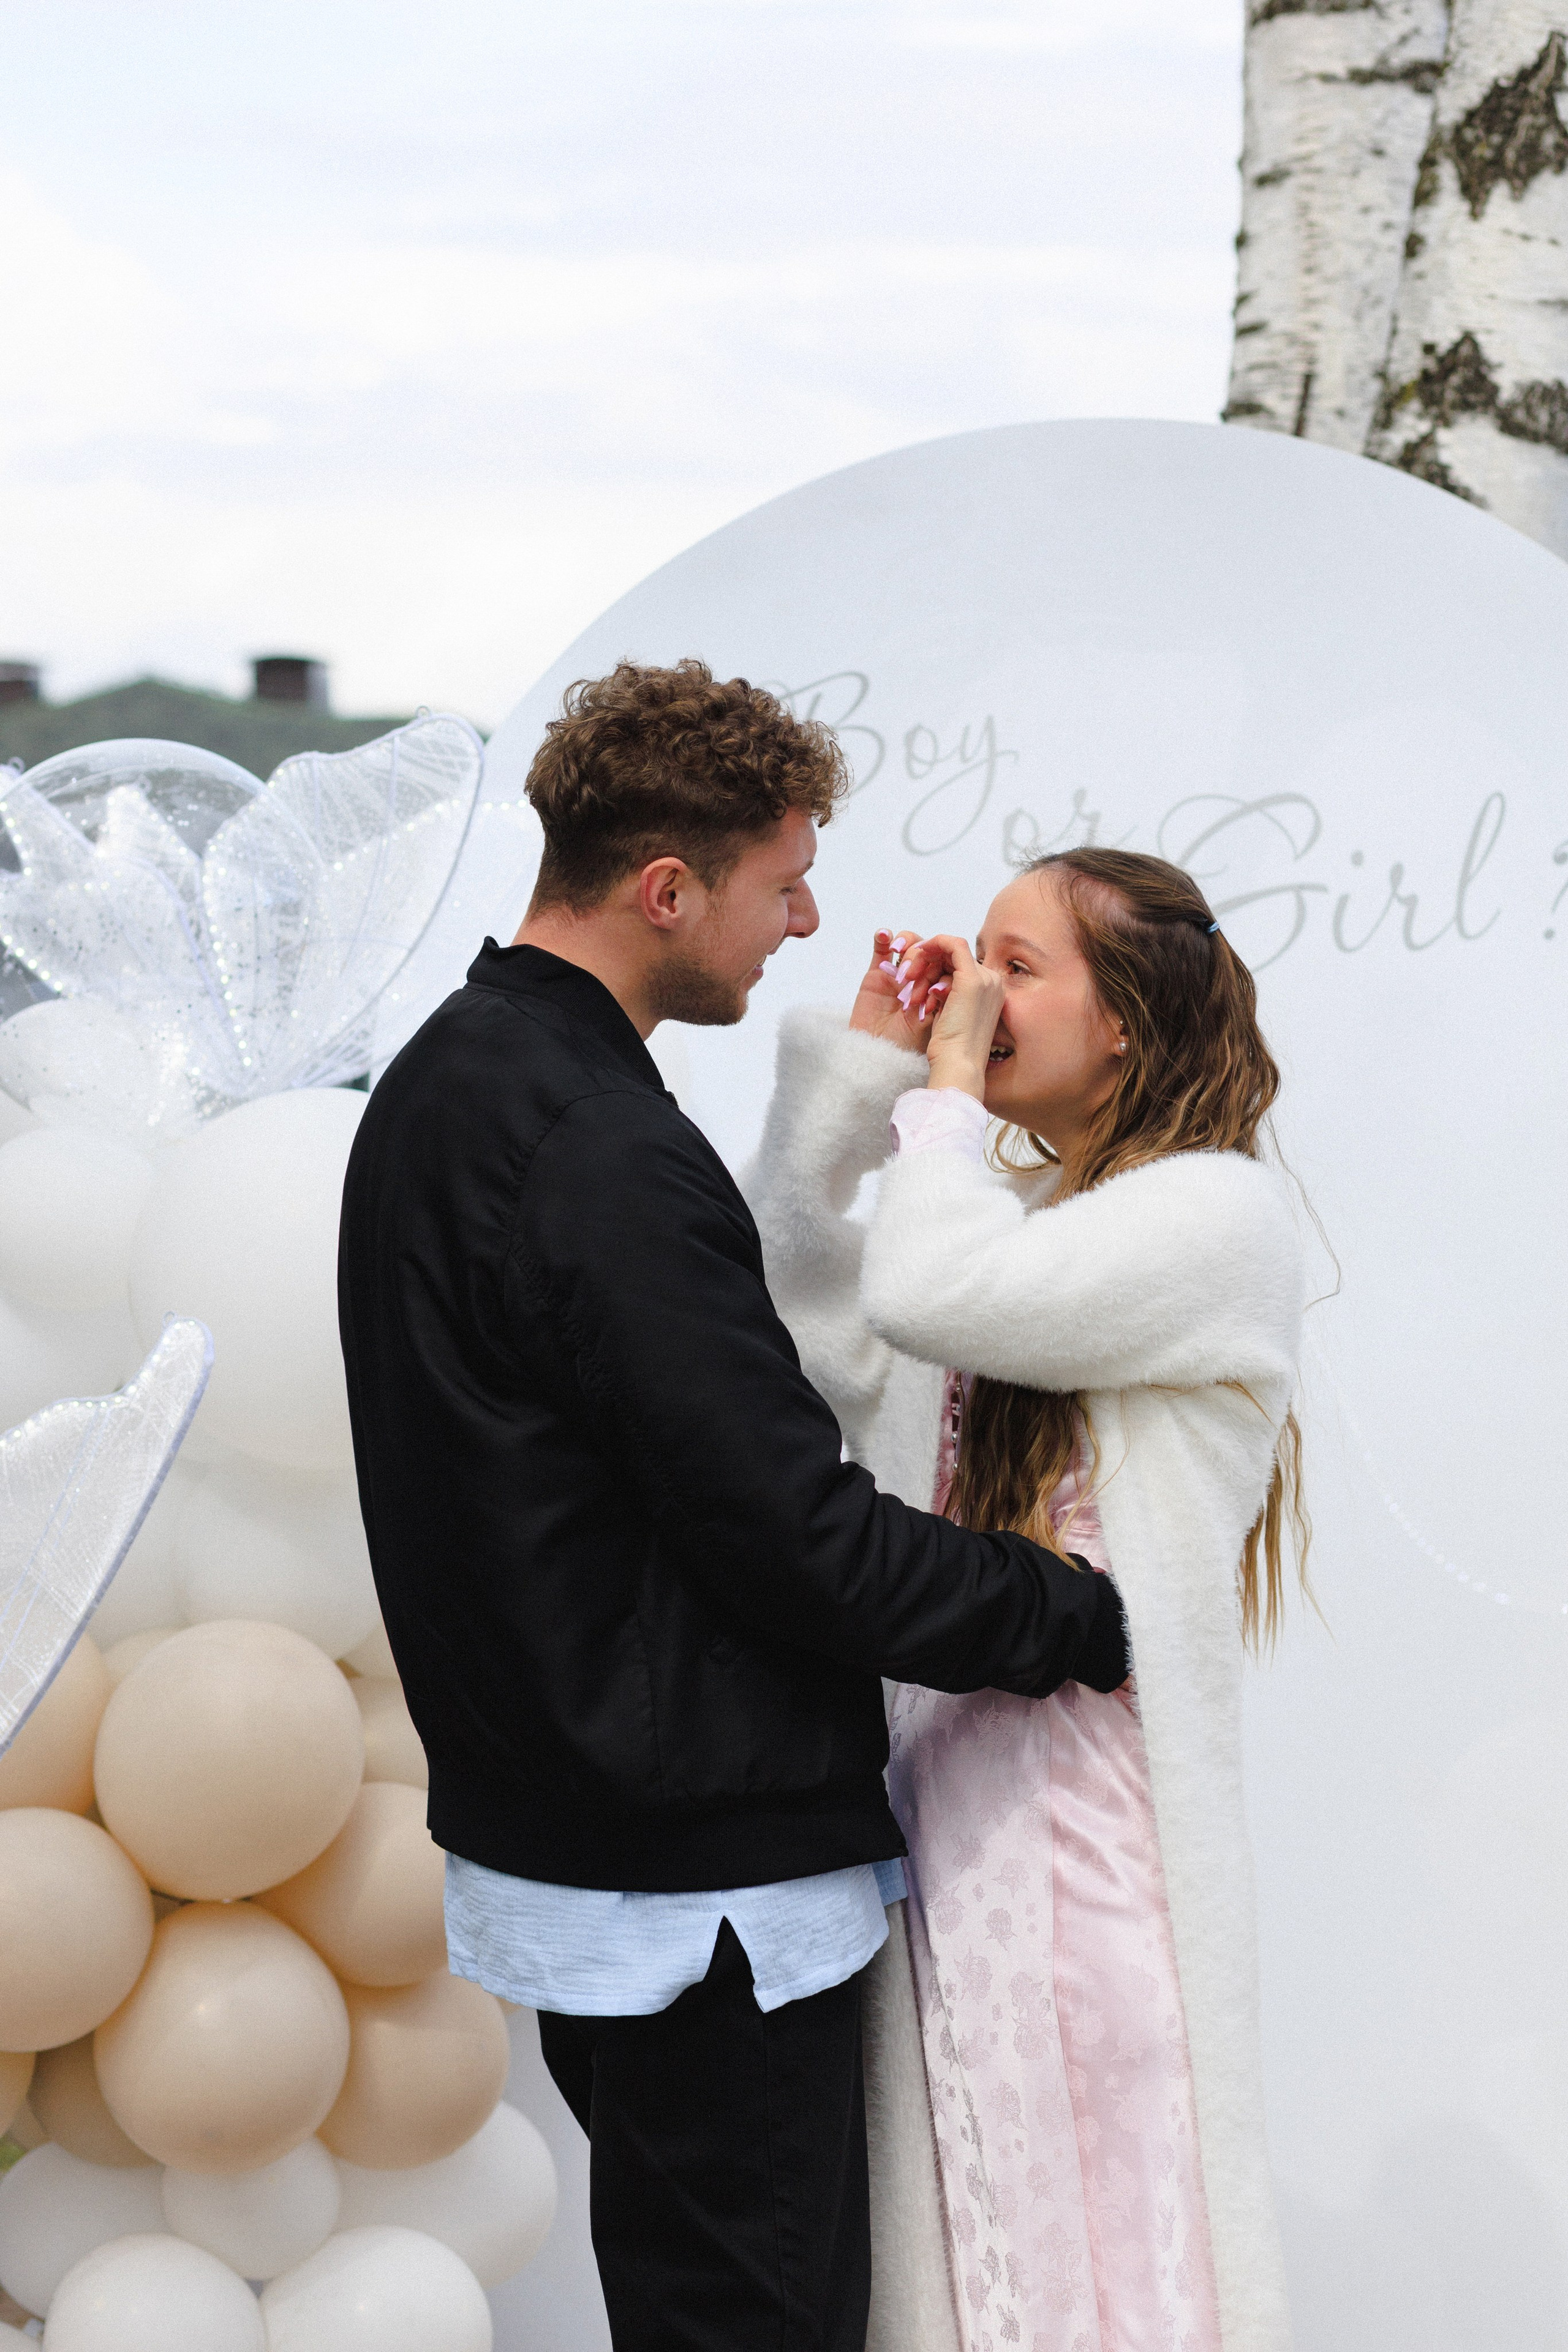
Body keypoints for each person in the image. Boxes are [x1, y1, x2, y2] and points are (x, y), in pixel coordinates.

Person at [336, 662, 1131, 2352]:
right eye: (783, 884)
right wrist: (1079, 1610)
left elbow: (653, 1443)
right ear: (666, 890)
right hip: (697, 1901)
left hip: (586, 1854)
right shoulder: (597, 1147)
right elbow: (795, 1535)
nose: (807, 921)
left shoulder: (445, 1084)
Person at [743, 848, 1308, 2352]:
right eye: (972, 960)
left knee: (1102, 2276)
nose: (977, 992)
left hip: (1087, 1840)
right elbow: (797, 1324)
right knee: (982, 2266)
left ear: (1123, 1020)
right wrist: (861, 1079)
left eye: (1017, 964)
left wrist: (935, 1095)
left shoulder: (1214, 1219)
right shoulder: (1008, 1220)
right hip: (949, 1833)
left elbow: (930, 1295)